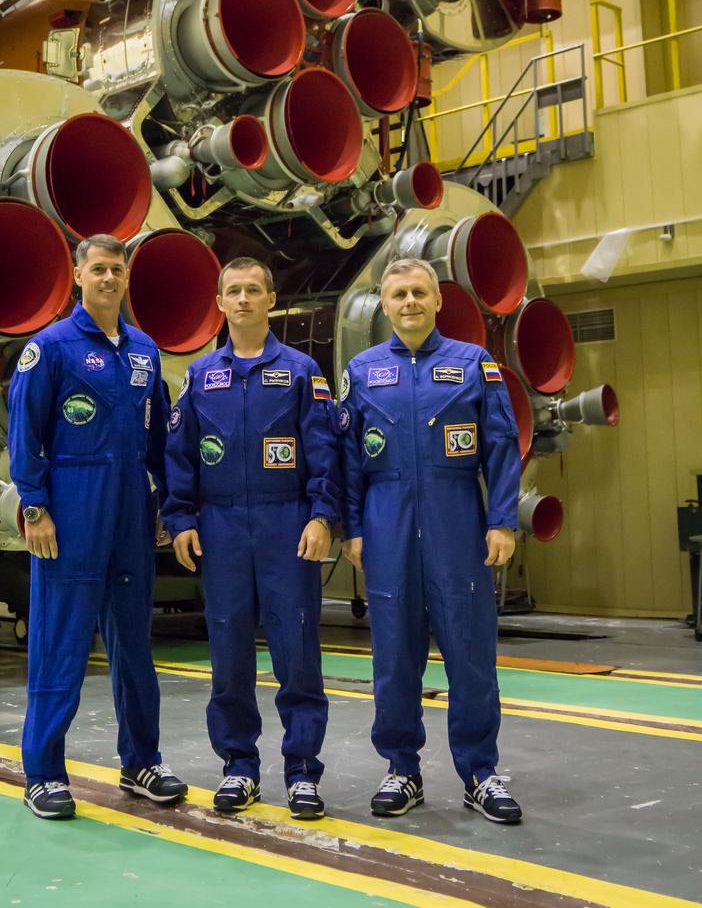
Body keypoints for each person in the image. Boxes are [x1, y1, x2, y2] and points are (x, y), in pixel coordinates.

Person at [8, 233, 187, 819]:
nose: (109, 278)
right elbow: (24, 434)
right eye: (99, 269)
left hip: (131, 509)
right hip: (72, 506)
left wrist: (165, 505)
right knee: (60, 643)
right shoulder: (50, 348)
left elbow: (158, 437)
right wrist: (35, 507)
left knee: (134, 646)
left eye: (118, 269)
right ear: (78, 276)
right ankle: (43, 772)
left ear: (127, 278)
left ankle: (141, 761)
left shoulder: (144, 350)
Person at [340, 256, 522, 824]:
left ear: (438, 300)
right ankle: (401, 770)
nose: (410, 303)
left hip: (457, 524)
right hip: (386, 523)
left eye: (420, 292)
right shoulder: (363, 371)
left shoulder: (473, 364)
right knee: (394, 659)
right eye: (399, 295)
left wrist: (502, 520)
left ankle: (480, 774)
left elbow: (501, 445)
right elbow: (347, 461)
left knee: (470, 656)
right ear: (384, 305)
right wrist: (353, 528)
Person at [162, 257, 340, 819]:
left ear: (270, 300)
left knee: (298, 651)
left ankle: (303, 771)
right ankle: (239, 766)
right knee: (229, 654)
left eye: (253, 290)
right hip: (221, 529)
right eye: (233, 291)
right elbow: (179, 454)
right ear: (220, 303)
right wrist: (182, 519)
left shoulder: (301, 371)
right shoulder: (200, 376)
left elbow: (324, 451)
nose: (243, 299)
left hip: (286, 524)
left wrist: (322, 516)